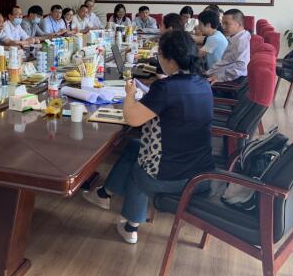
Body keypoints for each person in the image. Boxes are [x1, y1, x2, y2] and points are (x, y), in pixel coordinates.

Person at [83, 30, 214, 244]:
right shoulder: (202, 82)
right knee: (133, 146)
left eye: (159, 54)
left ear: (170, 59)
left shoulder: (167, 87)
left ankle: (131, 227)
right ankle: (103, 194)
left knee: (139, 171)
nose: (158, 58)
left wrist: (129, 95)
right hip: (201, 172)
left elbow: (132, 119)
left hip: (173, 177)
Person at [206, 8, 250, 84]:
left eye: (226, 23)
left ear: (239, 24)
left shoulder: (241, 41)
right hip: (221, 75)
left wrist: (219, 78)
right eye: (222, 23)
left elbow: (240, 67)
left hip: (231, 81)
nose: (223, 27)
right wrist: (208, 72)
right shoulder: (235, 37)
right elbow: (225, 62)